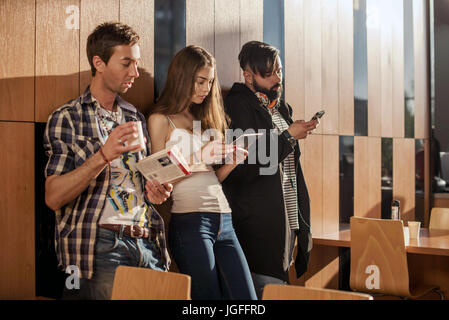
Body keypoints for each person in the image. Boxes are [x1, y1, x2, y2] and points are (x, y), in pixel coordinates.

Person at [43, 22, 172, 300]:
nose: (135, 73)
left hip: (149, 242)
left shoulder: (134, 116)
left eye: (136, 63)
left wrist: (155, 191)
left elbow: (138, 183)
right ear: (98, 63)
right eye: (126, 63)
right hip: (100, 245)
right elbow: (53, 197)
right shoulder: (67, 117)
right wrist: (104, 155)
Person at [147, 45, 257, 300]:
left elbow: (208, 177)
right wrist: (200, 156)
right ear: (182, 77)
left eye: (210, 82)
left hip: (224, 220)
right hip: (191, 223)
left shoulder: (201, 118)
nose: (205, 89)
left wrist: (230, 163)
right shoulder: (161, 119)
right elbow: (157, 178)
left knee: (247, 300)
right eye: (200, 81)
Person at [222, 41, 318, 298]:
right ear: (248, 75)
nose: (278, 78)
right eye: (269, 73)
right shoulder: (238, 106)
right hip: (257, 224)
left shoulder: (280, 108)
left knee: (277, 287)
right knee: (264, 290)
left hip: (285, 218)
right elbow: (246, 165)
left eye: (280, 70)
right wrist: (288, 136)